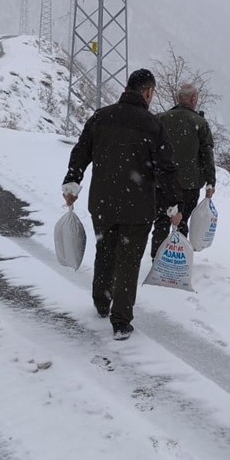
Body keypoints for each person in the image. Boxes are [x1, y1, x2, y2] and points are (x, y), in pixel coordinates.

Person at [62, 69, 182, 341]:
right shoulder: (153, 125)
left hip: (102, 202)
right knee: (128, 261)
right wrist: (173, 205)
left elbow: (81, 152)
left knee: (105, 248)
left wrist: (72, 184)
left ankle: (101, 301)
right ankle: (121, 320)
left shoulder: (101, 117)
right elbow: (166, 169)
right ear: (148, 92)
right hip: (137, 207)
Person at [152, 82, 216, 256]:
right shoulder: (200, 123)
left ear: (179, 98)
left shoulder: (161, 119)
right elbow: (207, 155)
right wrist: (210, 182)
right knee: (182, 221)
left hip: (162, 182)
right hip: (189, 184)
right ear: (193, 99)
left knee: (161, 222)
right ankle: (176, 260)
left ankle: (156, 258)